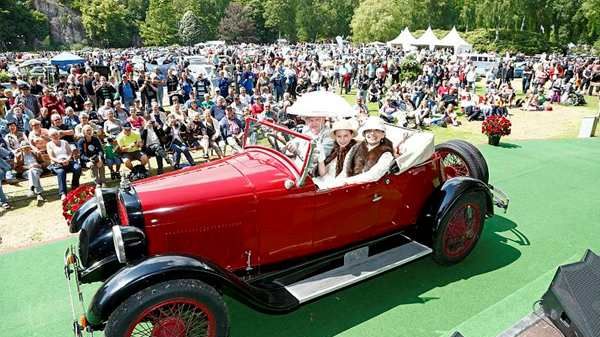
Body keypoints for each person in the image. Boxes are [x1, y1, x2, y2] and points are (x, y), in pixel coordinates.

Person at [336, 117, 394, 186]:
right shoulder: (355, 147)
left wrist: (347, 182)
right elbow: (345, 171)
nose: (372, 133)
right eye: (369, 130)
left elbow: (373, 175)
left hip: (370, 189)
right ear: (364, 133)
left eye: (377, 130)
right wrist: (335, 184)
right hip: (348, 187)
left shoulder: (386, 154)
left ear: (383, 135)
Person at [314, 119, 358, 188]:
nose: (342, 139)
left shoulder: (355, 152)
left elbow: (347, 179)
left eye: (345, 136)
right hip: (325, 182)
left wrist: (330, 184)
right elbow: (323, 173)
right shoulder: (335, 149)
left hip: (339, 188)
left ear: (351, 135)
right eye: (339, 136)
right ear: (335, 137)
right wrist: (321, 158)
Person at [46, 128, 81, 200]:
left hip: (68, 161)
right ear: (50, 137)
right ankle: (63, 193)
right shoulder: (49, 144)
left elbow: (69, 152)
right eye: (53, 135)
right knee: (61, 172)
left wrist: (67, 159)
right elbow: (51, 157)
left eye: (56, 134)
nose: (55, 136)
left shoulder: (64, 142)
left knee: (77, 168)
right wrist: (60, 161)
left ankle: (74, 186)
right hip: (56, 163)